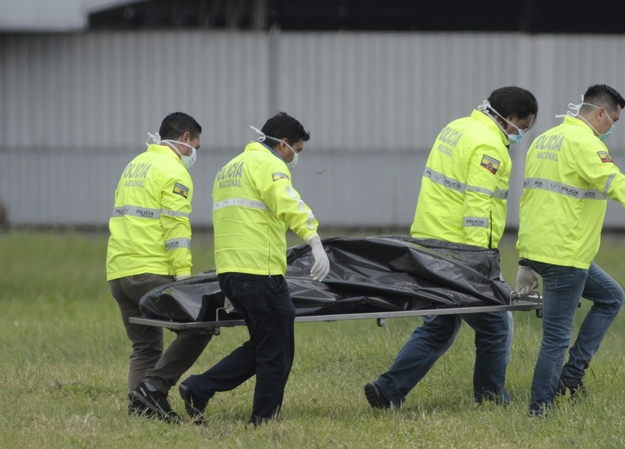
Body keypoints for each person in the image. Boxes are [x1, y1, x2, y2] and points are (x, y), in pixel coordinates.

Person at [515, 84, 625, 415]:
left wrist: (525, 258)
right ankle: (540, 412)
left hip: (544, 249)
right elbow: (616, 183)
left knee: (611, 297)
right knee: (555, 338)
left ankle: (571, 377)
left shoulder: (544, 140)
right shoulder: (585, 143)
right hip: (565, 255)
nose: (612, 127)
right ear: (599, 114)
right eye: (614, 119)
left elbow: (528, 202)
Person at [364, 87, 539, 410]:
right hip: (459, 251)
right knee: (496, 324)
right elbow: (476, 205)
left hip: (426, 242)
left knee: (440, 323)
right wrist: (478, 262)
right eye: (522, 127)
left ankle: (388, 390)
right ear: (510, 118)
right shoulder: (490, 146)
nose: (521, 134)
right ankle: (490, 400)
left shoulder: (455, 128)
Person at [178, 112, 330, 425]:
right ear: (284, 144)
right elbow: (288, 203)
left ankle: (200, 388)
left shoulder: (230, 169)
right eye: (296, 152)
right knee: (277, 351)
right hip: (260, 272)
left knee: (265, 343)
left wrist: (231, 278)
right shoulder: (268, 165)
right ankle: (263, 420)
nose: (294, 160)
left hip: (231, 273)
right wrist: (314, 239)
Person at [107, 112, 213, 422]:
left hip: (119, 272)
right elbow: (176, 229)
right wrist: (183, 280)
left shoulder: (135, 165)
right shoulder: (174, 171)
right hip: (149, 272)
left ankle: (140, 413)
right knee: (200, 326)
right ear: (184, 139)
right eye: (196, 145)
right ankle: (154, 388)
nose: (195, 152)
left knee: (145, 346)